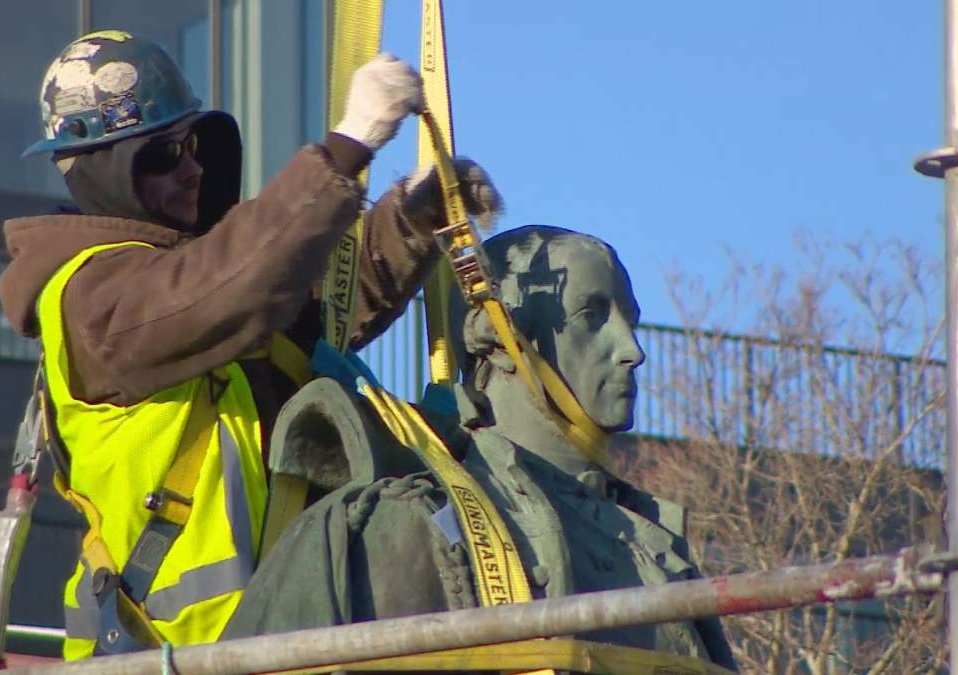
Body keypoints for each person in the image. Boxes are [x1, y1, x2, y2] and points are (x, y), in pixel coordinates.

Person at [0, 30, 503, 660]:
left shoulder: (203, 293)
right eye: (164, 154)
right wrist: (347, 145)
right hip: (177, 653)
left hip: (275, 637)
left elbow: (317, 303)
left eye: (193, 145)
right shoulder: (90, 299)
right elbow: (231, 284)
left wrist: (413, 217)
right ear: (99, 170)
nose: (193, 168)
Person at [224, 225, 737, 671]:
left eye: (630, 320)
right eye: (592, 315)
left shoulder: (657, 550)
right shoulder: (390, 526)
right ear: (497, 335)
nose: (633, 350)